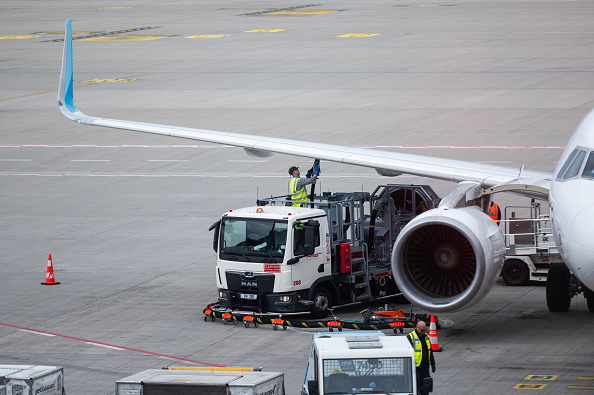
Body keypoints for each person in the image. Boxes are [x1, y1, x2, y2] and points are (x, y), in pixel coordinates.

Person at [406, 321, 435, 395]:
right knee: (417, 389)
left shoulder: (426, 337)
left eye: (424, 330)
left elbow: (430, 351)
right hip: (416, 369)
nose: (423, 332)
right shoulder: (410, 337)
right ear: (417, 328)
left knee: (426, 389)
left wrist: (433, 363)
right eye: (422, 330)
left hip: (425, 368)